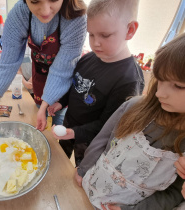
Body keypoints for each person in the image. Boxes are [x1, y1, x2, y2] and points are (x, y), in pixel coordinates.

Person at [75, 33, 185, 210]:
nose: (159, 93)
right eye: (160, 81)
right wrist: (83, 169)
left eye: (178, 86)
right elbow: (103, 140)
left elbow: (174, 194)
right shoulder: (135, 106)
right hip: (87, 186)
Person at [48, 0, 144, 166]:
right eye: (91, 34)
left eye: (105, 35)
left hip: (92, 140)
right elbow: (75, 86)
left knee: (82, 170)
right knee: (61, 161)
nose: (95, 42)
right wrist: (61, 102)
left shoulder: (128, 80)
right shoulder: (89, 57)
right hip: (70, 122)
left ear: (130, 30)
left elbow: (110, 126)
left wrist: (74, 133)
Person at [0, 0, 87, 131]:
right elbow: (8, 63)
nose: (45, 11)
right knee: (39, 115)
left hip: (63, 81)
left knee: (58, 120)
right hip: (39, 77)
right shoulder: (20, 13)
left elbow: (62, 70)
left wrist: (46, 105)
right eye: (35, 1)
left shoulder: (76, 16)